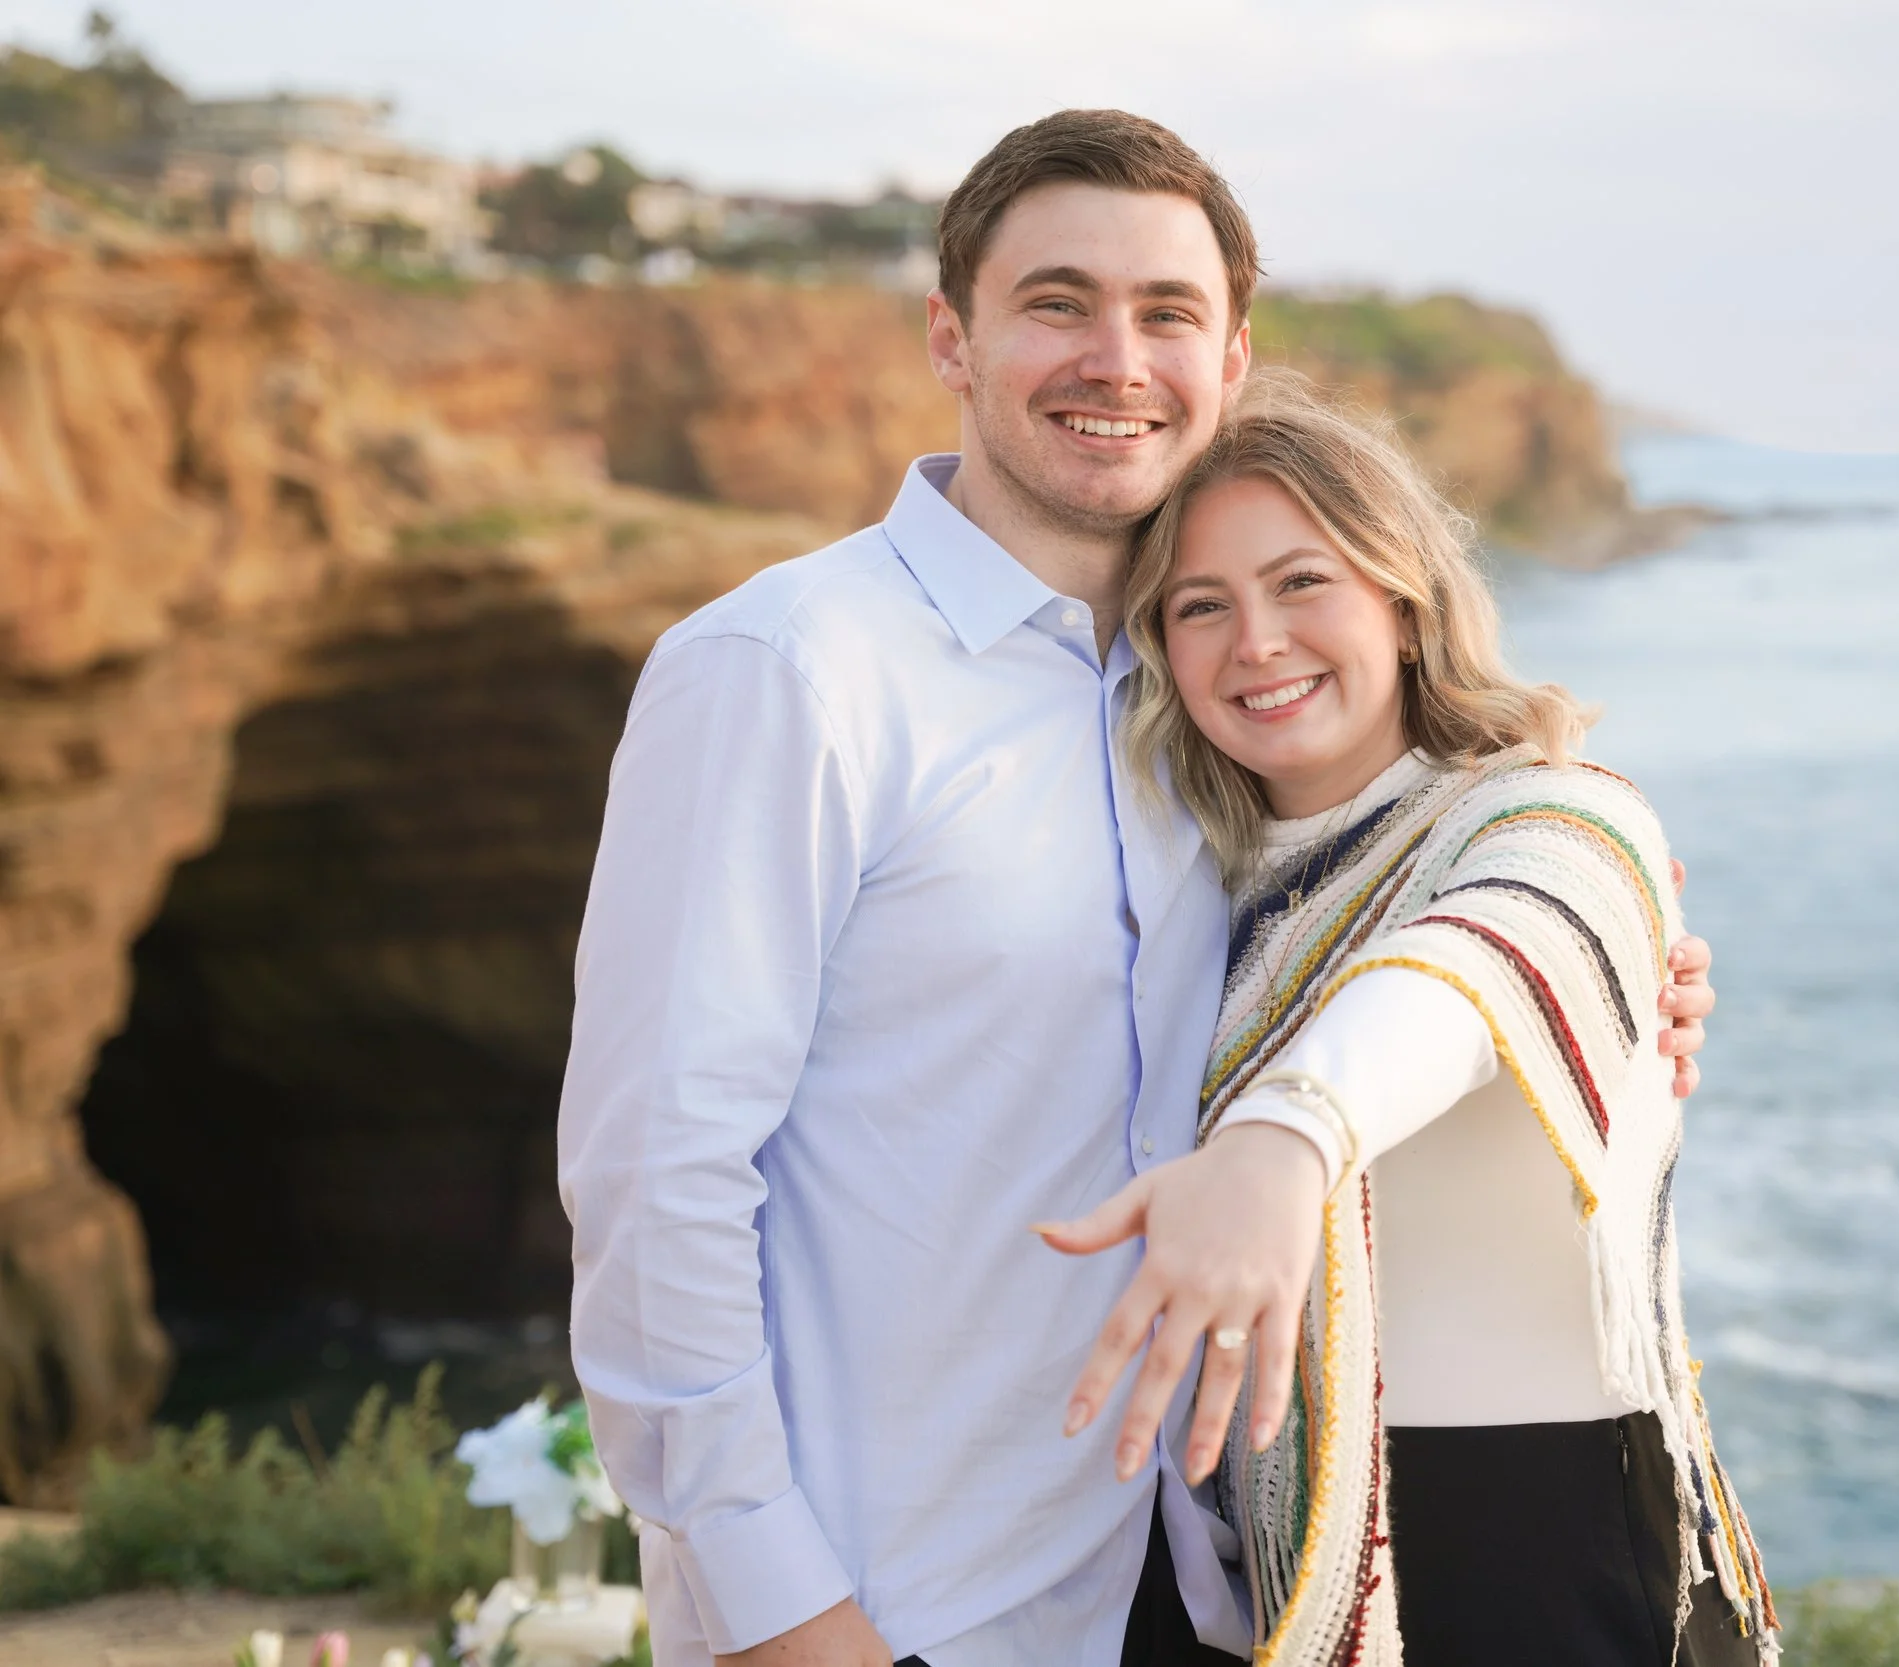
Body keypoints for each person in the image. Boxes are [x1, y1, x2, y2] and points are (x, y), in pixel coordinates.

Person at [556, 111, 1719, 1667]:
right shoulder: (786, 671)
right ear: (951, 339)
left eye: (1167, 312)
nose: (1116, 357)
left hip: (1190, 1593)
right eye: (1056, 302)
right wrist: (785, 1618)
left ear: (1230, 359)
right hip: (895, 1606)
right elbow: (656, 1184)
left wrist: (1590, 989)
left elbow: (1395, 935)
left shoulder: (1198, 722)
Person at [1041, 372, 1776, 1666]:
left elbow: (1466, 963)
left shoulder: (1558, 816)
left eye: (1302, 581)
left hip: (1531, 1541)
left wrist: (1285, 1136)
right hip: (1242, 1559)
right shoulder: (1197, 890)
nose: (1254, 640)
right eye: (1199, 607)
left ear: (1402, 590)